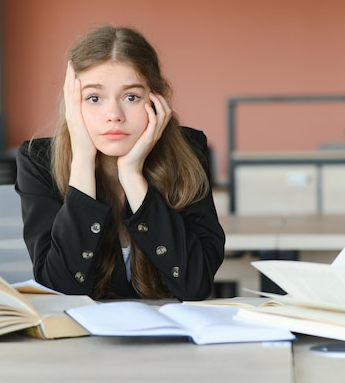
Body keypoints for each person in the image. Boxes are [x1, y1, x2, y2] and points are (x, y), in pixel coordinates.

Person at [15, 25, 225, 301]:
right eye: (94, 98)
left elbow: (195, 285)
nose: (113, 114)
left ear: (156, 99)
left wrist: (132, 173)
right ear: (72, 104)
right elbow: (60, 290)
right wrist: (82, 161)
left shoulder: (188, 151)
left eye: (131, 97)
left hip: (168, 340)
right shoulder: (38, 161)